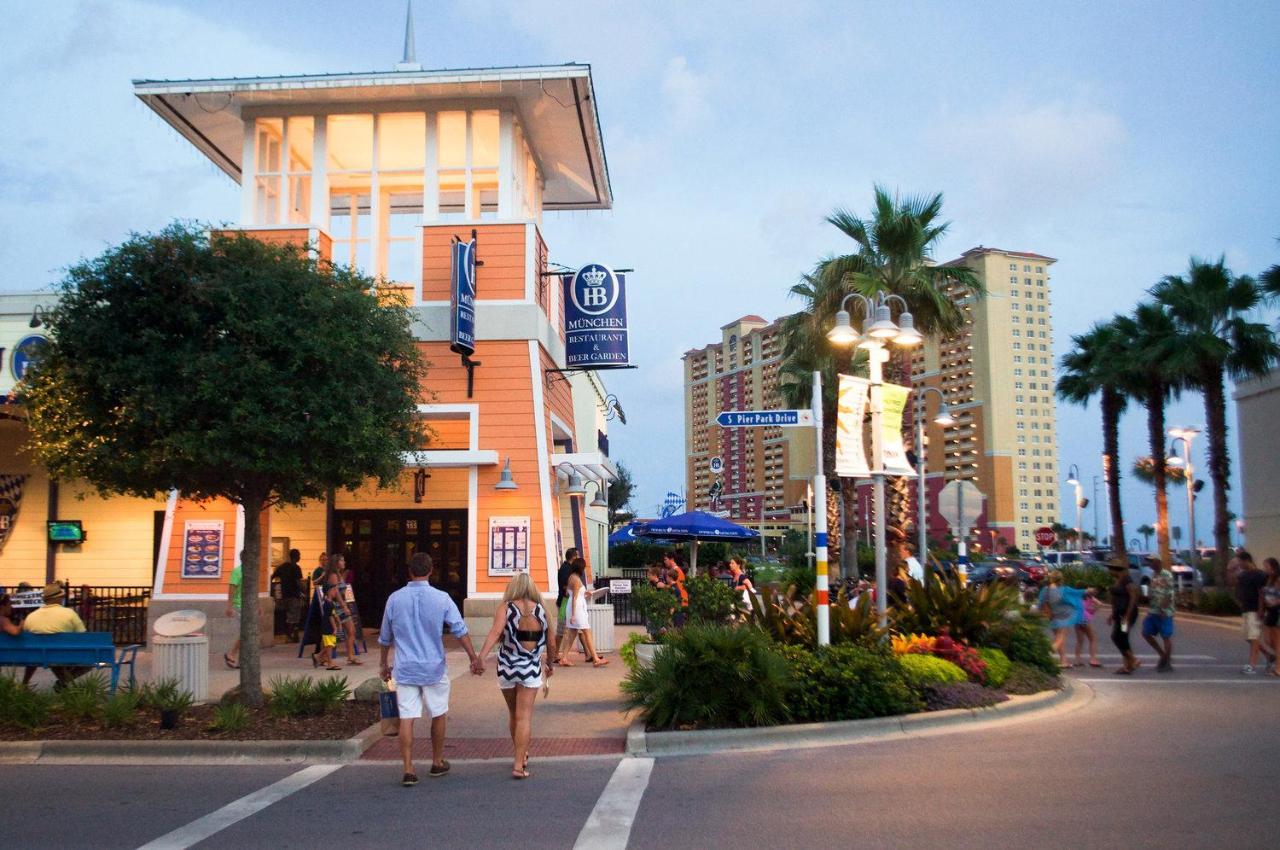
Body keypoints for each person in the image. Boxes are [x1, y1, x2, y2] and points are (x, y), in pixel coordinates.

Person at [379, 552, 483, 787]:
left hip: (405, 667)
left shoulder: (394, 599)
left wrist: (383, 664)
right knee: (438, 713)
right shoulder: (442, 598)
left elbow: (385, 637)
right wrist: (474, 658)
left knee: (407, 717)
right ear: (430, 571)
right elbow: (459, 630)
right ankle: (437, 761)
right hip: (433, 666)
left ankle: (408, 768)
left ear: (409, 571)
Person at [477, 573, 556, 779]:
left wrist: (481, 658)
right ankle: (519, 764)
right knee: (525, 716)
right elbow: (552, 642)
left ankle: (520, 754)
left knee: (514, 714)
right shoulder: (542, 611)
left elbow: (495, 632)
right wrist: (550, 663)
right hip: (530, 668)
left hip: (507, 667)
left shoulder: (506, 607)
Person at [22, 583, 89, 687]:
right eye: (61, 596)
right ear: (58, 598)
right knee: (88, 661)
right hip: (64, 655)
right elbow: (83, 635)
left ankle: (25, 684)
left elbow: (26, 637)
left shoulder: (31, 616)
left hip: (37, 656)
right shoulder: (69, 613)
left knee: (48, 655)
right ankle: (63, 682)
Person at [557, 558, 608, 667]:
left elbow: (571, 594)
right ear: (581, 568)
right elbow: (575, 597)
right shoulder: (576, 579)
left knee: (573, 633)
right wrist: (574, 615)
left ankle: (564, 658)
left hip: (573, 607)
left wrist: (584, 594)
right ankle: (595, 658)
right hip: (577, 608)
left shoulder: (571, 577)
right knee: (587, 631)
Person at [1236, 552, 1275, 674]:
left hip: (1254, 609)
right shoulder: (1243, 575)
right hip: (1246, 609)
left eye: (1240, 562)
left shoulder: (1259, 575)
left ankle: (1252, 665)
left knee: (1254, 637)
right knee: (1248, 636)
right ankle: (1269, 655)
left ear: (1246, 560)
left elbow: (1261, 594)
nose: (1239, 565)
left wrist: (1261, 610)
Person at [1038, 571, 1085, 668]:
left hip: (1052, 616)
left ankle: (1064, 661)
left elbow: (1040, 603)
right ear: (1061, 579)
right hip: (1064, 617)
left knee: (1058, 639)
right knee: (1060, 639)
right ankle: (1045, 654)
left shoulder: (1045, 589)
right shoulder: (1063, 590)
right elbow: (1076, 596)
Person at [1141, 557, 1176, 673]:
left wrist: (1163, 609)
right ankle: (1163, 655)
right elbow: (1154, 590)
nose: (1149, 564)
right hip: (1153, 610)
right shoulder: (1153, 575)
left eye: (1151, 561)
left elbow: (1169, 593)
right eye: (1149, 562)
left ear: (1158, 562)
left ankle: (1167, 662)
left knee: (1166, 636)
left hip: (1164, 612)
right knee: (1146, 633)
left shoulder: (1167, 575)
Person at [327, 554, 362, 666]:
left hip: (341, 605)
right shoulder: (333, 576)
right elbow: (336, 593)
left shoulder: (339, 575)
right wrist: (344, 607)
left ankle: (350, 656)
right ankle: (321, 656)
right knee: (336, 634)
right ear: (336, 562)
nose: (344, 562)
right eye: (342, 561)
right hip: (337, 607)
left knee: (351, 631)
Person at [1107, 560, 1141, 674]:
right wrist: (1112, 614)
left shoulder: (1126, 579)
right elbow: (1113, 599)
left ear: (1115, 569)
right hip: (1118, 613)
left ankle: (1132, 660)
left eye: (1110, 568)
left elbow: (1133, 596)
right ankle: (1128, 666)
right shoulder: (1116, 580)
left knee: (1118, 636)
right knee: (1122, 638)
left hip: (1126, 614)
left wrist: (1127, 614)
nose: (1109, 571)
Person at [272, 548, 306, 641]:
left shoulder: (282, 566)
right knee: (294, 616)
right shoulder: (296, 568)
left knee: (287, 615)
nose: (300, 557)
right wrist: (304, 590)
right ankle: (290, 635)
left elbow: (273, 576)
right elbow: (298, 582)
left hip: (284, 594)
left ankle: (291, 635)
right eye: (299, 555)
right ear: (296, 557)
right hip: (294, 595)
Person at [312, 582, 342, 671]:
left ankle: (317, 656)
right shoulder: (328, 604)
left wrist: (339, 622)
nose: (335, 592)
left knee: (330, 645)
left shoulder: (330, 603)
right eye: (334, 590)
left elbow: (334, 614)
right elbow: (330, 617)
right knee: (329, 645)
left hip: (329, 627)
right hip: (328, 627)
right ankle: (330, 663)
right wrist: (335, 627)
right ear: (328, 592)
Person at [1073, 589, 1102, 668]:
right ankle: (1093, 659)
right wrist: (1093, 610)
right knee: (1092, 638)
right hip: (1085, 618)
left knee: (1079, 641)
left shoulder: (1076, 597)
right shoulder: (1090, 597)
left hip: (1077, 619)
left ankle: (1077, 660)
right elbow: (1099, 604)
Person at [1261, 557, 1280, 677]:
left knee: (1277, 641)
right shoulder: (1268, 580)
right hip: (1270, 611)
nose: (1265, 569)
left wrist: (1275, 602)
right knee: (1268, 640)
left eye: (1267, 566)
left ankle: (1279, 667)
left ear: (1273, 568)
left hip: (1277, 610)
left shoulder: (1278, 580)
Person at [224, 553, 243, 669]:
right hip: (239, 605)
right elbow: (232, 589)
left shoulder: (252, 572)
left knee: (247, 633)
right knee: (245, 633)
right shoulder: (237, 572)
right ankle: (231, 653)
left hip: (247, 606)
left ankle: (238, 657)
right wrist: (229, 606)